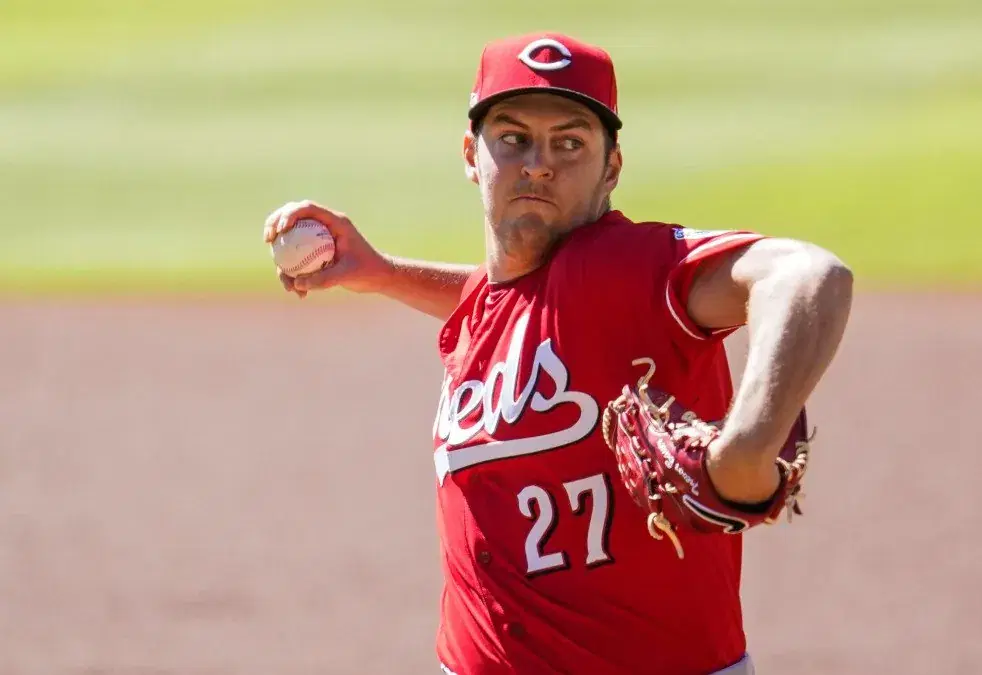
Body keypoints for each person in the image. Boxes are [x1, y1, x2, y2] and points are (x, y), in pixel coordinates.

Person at [263, 32, 853, 675]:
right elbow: (508, 298)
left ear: (612, 168)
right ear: (471, 154)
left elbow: (809, 275)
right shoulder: (503, 303)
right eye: (513, 137)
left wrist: (746, 447)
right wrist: (382, 273)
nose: (538, 163)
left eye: (569, 143)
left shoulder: (626, 268)